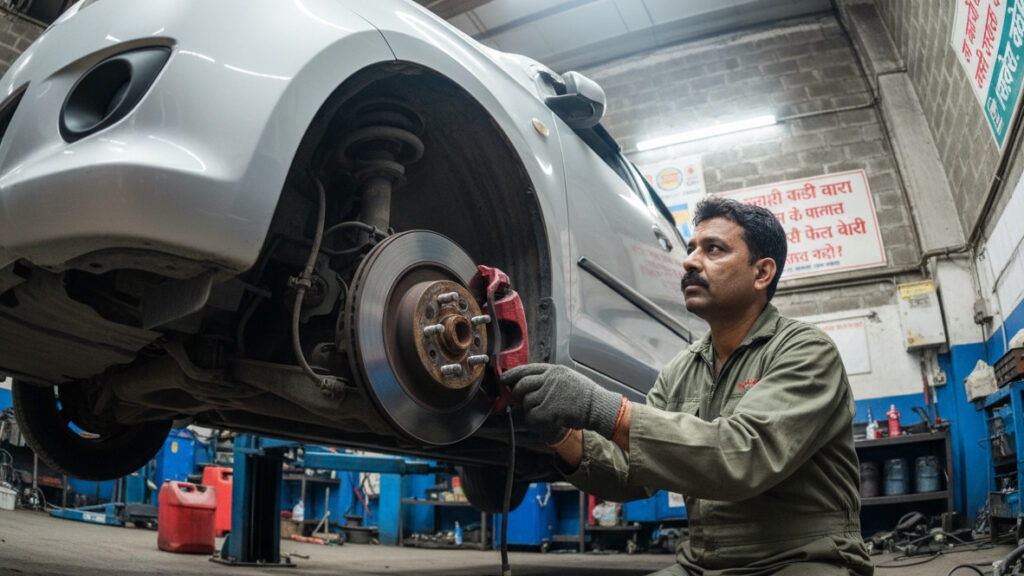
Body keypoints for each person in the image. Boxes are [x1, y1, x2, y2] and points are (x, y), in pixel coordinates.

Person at [502, 196, 872, 575]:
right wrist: (562, 436)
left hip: (800, 558)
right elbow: (632, 474)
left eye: (714, 250)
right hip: (704, 563)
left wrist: (599, 406)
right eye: (693, 248)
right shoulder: (681, 369)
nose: (689, 261)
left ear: (762, 273)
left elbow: (743, 456)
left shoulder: (806, 350)